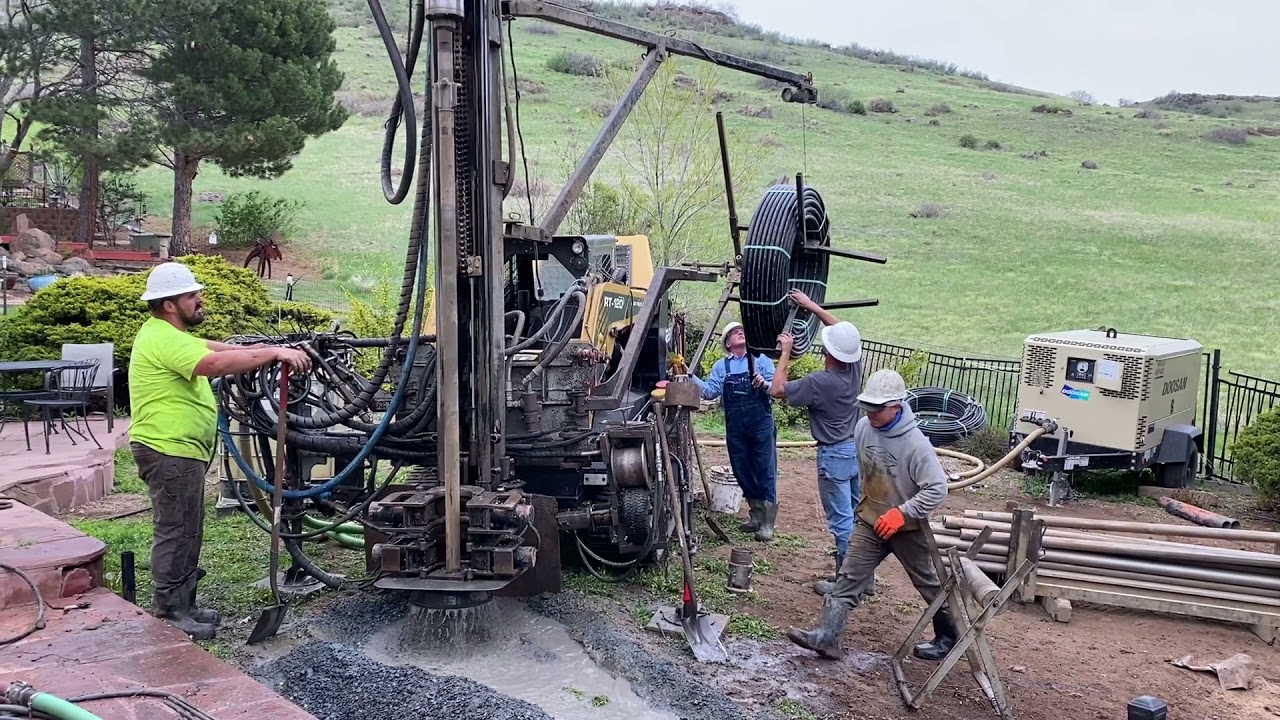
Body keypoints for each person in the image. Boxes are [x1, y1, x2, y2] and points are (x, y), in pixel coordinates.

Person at [128, 262, 311, 640]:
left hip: (180, 450)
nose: (200, 300)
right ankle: (170, 611)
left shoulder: (168, 334)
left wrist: (271, 350)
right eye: (192, 295)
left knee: (189, 527)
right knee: (176, 529)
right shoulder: (162, 337)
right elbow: (213, 363)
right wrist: (273, 353)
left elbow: (219, 348)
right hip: (167, 449)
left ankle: (186, 604)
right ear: (169, 305)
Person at [785, 368, 955, 662]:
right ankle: (827, 637)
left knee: (927, 581)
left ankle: (949, 634)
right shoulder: (863, 428)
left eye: (878, 408)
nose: (871, 413)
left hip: (907, 526)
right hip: (871, 518)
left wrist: (902, 513)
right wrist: (872, 506)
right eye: (868, 407)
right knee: (849, 576)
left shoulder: (916, 446)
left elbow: (937, 489)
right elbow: (866, 472)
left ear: (896, 406)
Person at [769, 290, 863, 594]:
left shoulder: (819, 383)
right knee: (858, 516)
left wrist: (786, 351)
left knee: (841, 521)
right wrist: (811, 306)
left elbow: (777, 389)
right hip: (854, 452)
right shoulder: (854, 370)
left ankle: (847, 583)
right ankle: (863, 578)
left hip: (833, 457)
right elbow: (841, 331)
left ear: (829, 354)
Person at [693, 321, 779, 541]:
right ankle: (756, 515)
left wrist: (764, 384)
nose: (740, 333)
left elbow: (776, 388)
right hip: (736, 425)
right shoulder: (722, 366)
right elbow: (710, 392)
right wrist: (689, 376)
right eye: (733, 333)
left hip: (760, 421)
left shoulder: (762, 359)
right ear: (728, 343)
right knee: (741, 468)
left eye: (742, 331)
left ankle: (767, 523)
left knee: (764, 467)